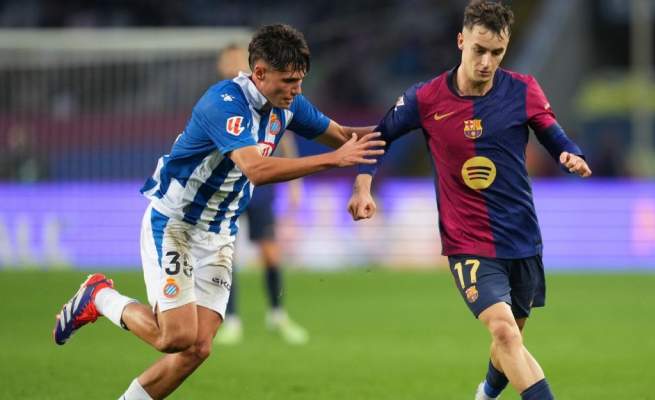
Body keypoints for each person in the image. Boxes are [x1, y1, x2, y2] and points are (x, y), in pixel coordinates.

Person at [52, 24, 383, 400]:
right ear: (260, 73)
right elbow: (256, 169)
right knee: (174, 337)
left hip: (220, 231)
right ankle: (99, 296)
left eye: (301, 81)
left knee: (198, 348)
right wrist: (334, 161)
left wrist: (402, 126)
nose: (297, 90)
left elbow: (346, 137)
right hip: (176, 224)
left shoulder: (288, 105)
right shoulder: (223, 103)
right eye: (289, 81)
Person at [347, 2, 592, 400]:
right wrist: (362, 186)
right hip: (468, 241)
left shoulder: (523, 89)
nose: (487, 62)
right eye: (479, 50)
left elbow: (552, 132)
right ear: (461, 41)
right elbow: (379, 137)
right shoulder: (426, 98)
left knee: (509, 341)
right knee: (504, 332)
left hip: (521, 236)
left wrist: (570, 154)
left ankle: (486, 394)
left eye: (497, 52)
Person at [214, 44, 309, 345]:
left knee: (270, 251)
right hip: (226, 188)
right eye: (228, 60)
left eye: (236, 59)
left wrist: (295, 184)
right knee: (226, 254)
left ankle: (277, 315)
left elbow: (285, 136)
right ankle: (230, 320)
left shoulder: (265, 97)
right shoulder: (218, 100)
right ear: (221, 66)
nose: (232, 64)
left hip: (259, 186)